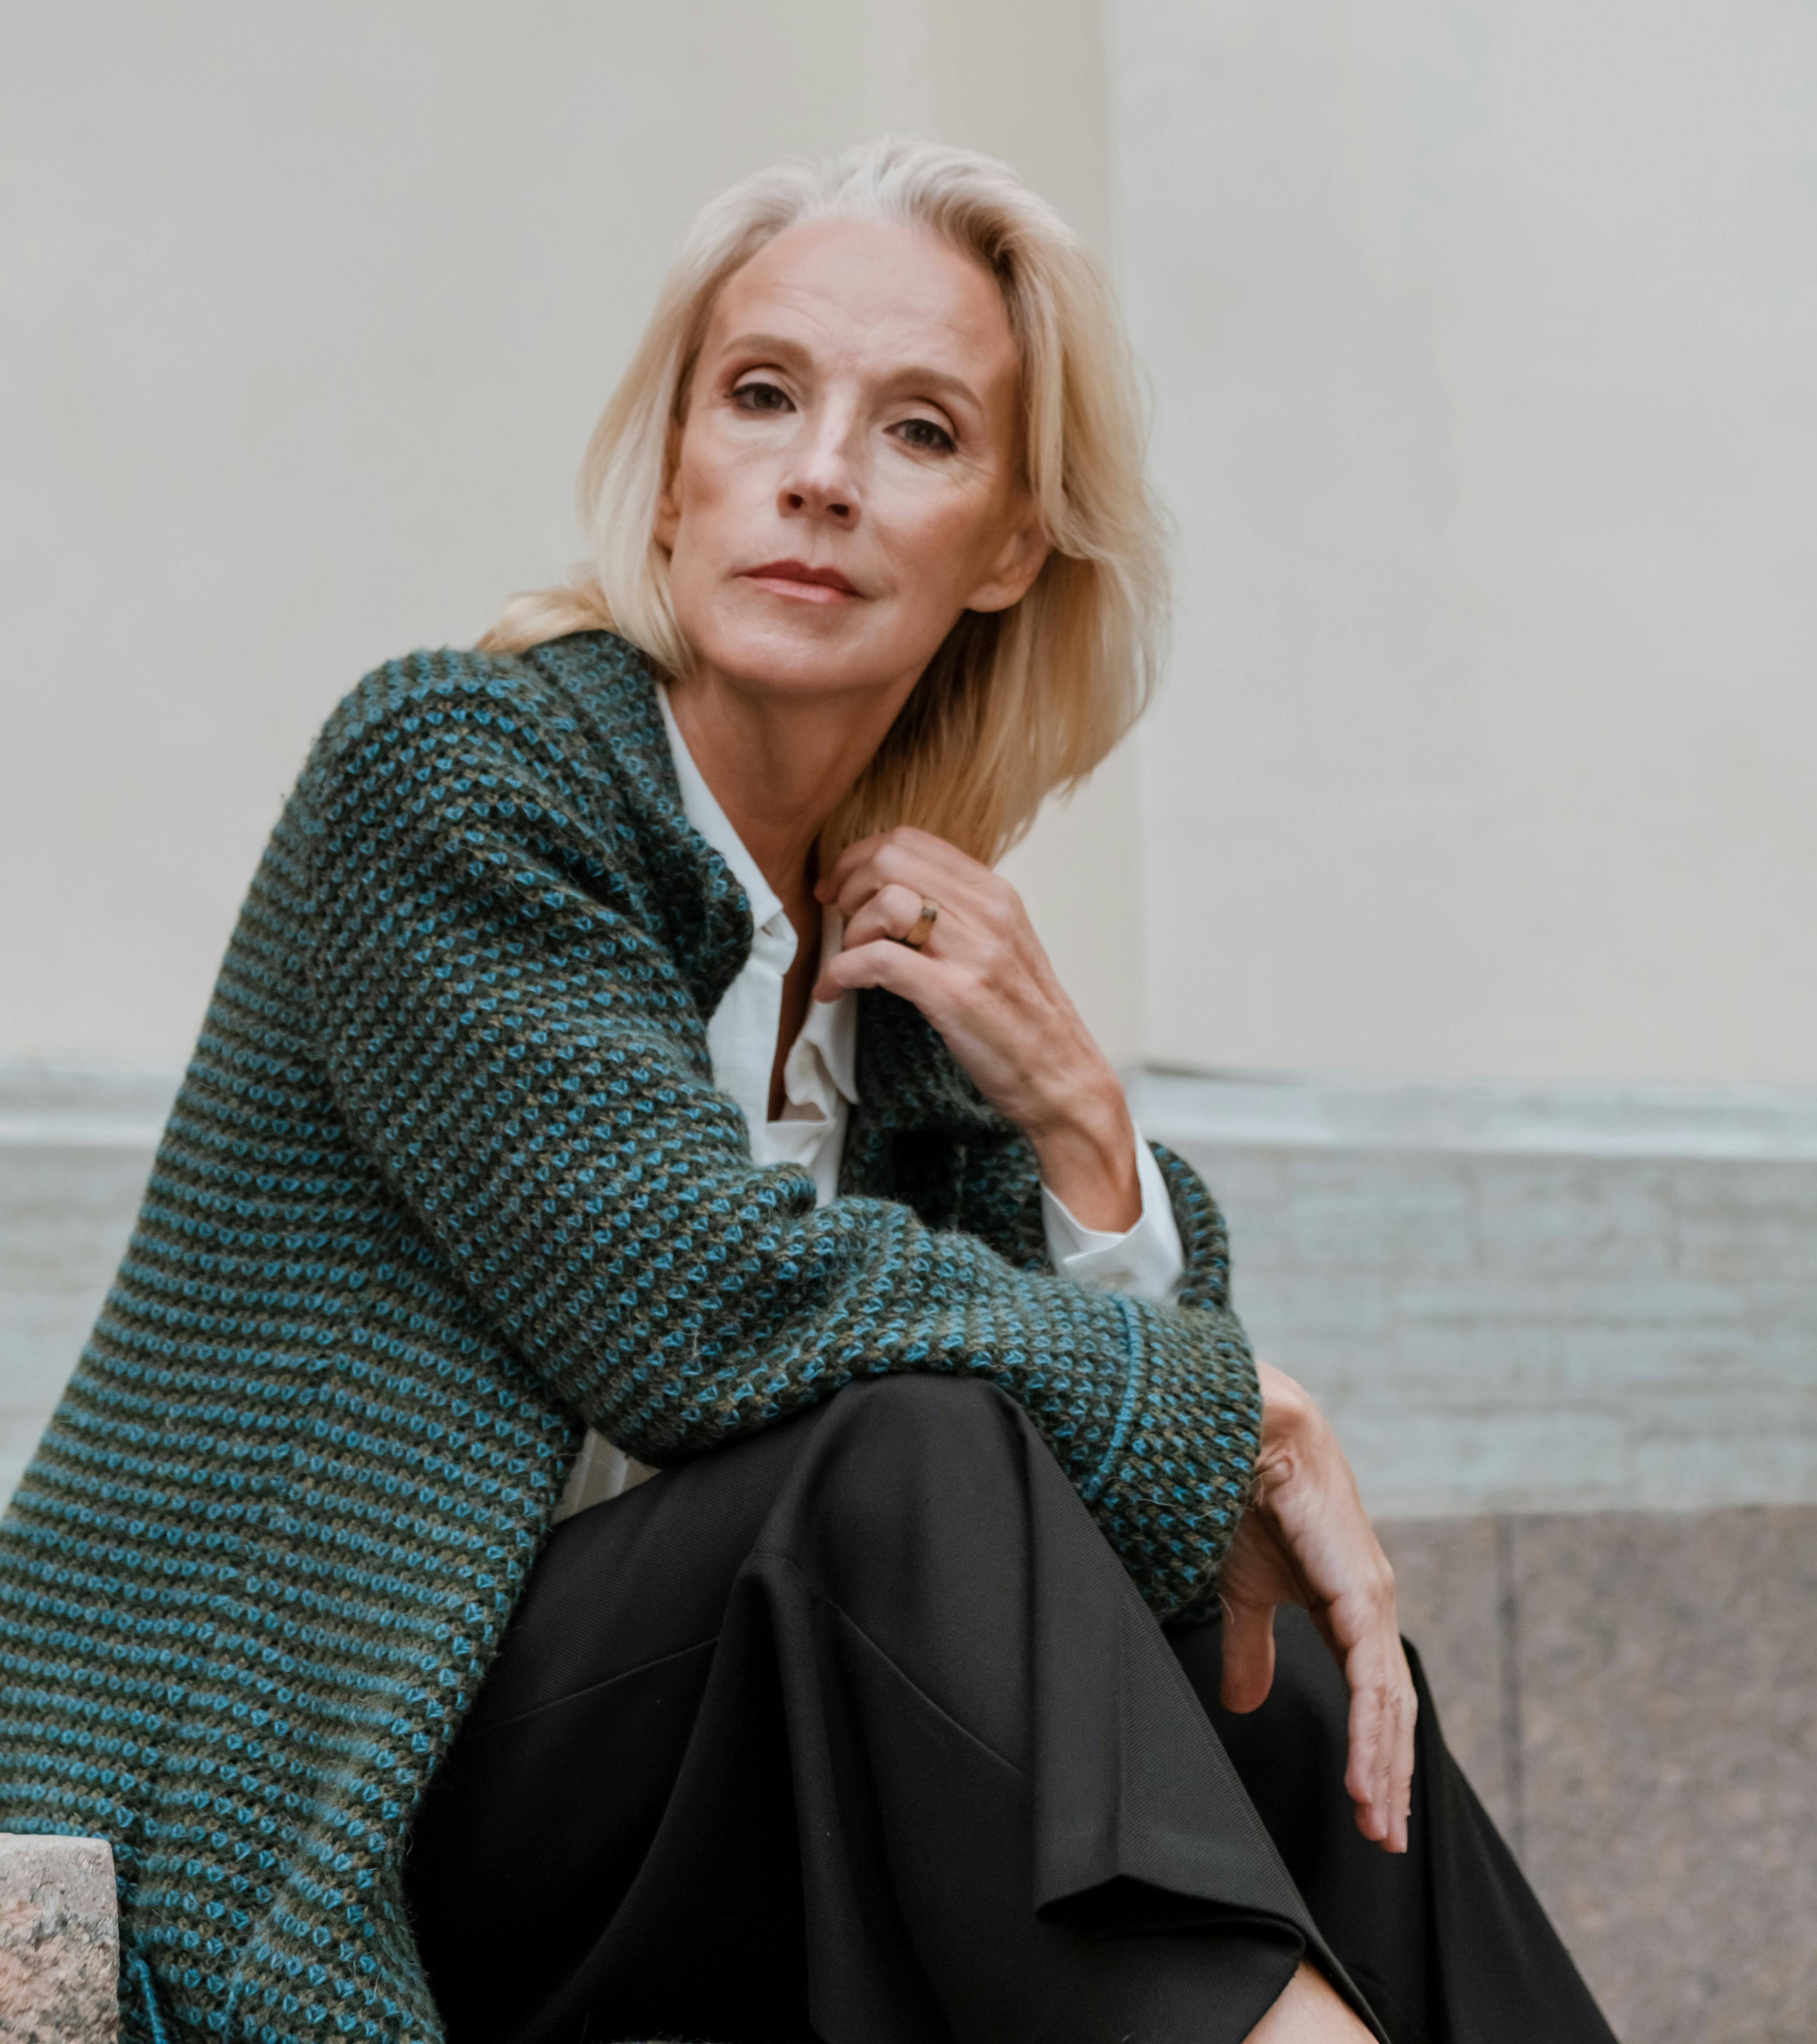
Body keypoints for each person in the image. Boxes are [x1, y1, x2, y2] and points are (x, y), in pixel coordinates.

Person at [0, 142, 1613, 2044]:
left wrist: (1086, 1136)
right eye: (761, 394)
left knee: (1274, 1689)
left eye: (919, 430)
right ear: (674, 465)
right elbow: (707, 1306)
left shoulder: (897, 978)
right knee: (909, 1467)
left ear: (1008, 545)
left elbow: (1128, 1537)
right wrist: (1236, 1414)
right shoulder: (457, 776)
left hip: (675, 1805)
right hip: (302, 1795)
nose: (820, 471)